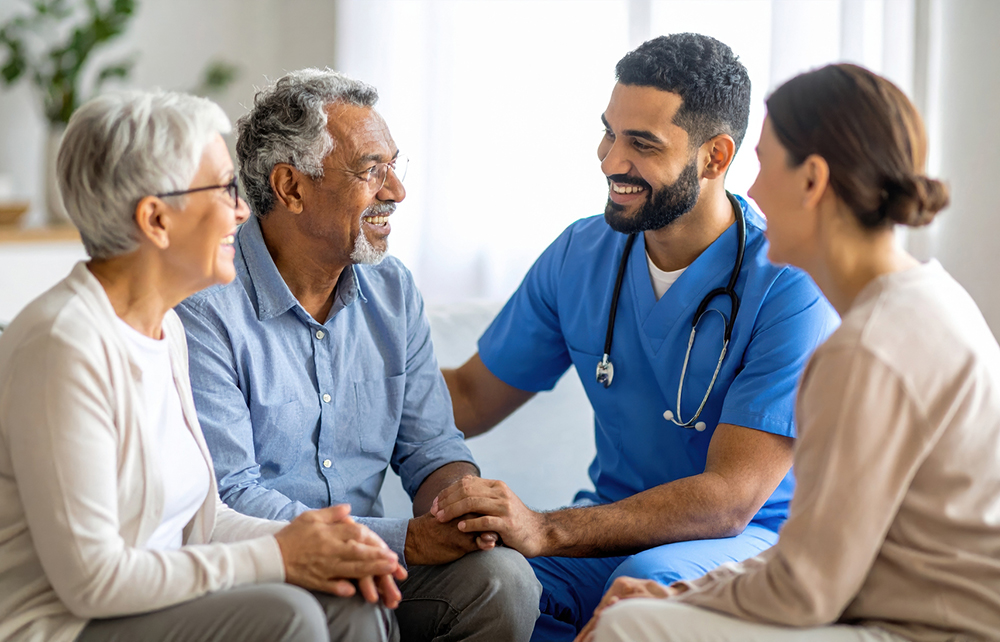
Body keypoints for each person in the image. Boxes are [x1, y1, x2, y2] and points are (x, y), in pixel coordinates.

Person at [436, 33, 840, 640]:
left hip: (747, 538)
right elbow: (471, 396)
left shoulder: (788, 283)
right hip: (609, 530)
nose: (609, 161)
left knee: (642, 590)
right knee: (487, 582)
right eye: (609, 133)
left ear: (715, 156)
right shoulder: (580, 254)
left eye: (642, 144)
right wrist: (336, 390)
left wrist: (545, 528)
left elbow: (730, 499)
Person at [579, 63, 1000, 642]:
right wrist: (682, 597)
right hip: (903, 609)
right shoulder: (931, 298)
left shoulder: (866, 350)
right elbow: (822, 562)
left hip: (928, 631)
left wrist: (675, 598)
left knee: (630, 627)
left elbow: (806, 589)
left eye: (765, 164)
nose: (751, 192)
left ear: (811, 181)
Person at [0, 90, 407, 642]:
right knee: (290, 615)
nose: (242, 211)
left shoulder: (164, 328)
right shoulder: (63, 347)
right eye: (222, 189)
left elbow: (202, 519)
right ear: (156, 219)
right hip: (64, 625)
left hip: (156, 601)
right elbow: (93, 582)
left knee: (352, 601)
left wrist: (322, 544)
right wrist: (277, 556)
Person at [175, 68, 541, 641]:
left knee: (504, 580)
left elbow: (429, 447)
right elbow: (231, 498)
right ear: (291, 188)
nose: (395, 191)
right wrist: (405, 540)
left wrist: (465, 508)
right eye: (371, 170)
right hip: (262, 570)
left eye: (395, 166)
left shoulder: (392, 291)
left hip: (378, 559)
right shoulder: (202, 308)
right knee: (354, 607)